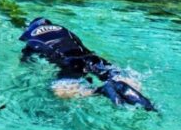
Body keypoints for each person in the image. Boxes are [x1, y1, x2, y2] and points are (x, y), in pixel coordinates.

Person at [19, 17, 155, 110]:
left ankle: (99, 91)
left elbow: (27, 62)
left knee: (57, 91)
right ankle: (128, 86)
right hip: (92, 58)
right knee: (116, 74)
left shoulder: (30, 37)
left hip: (70, 62)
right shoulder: (62, 28)